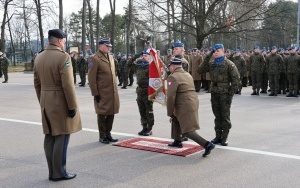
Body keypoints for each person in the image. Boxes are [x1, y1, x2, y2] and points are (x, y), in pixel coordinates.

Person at [33, 29, 82, 181]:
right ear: (60, 40)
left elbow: (37, 83)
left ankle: (52, 171)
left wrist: (42, 100)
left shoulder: (39, 57)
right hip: (60, 100)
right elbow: (67, 84)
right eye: (64, 41)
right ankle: (59, 172)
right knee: (62, 135)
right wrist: (72, 106)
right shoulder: (63, 57)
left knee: (50, 136)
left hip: (46, 100)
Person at [167, 58, 215, 157]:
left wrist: (170, 111)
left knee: (188, 131)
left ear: (173, 66)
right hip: (191, 101)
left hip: (184, 104)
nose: (169, 68)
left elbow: (171, 96)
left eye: (170, 66)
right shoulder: (187, 74)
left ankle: (207, 144)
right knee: (176, 120)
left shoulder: (173, 77)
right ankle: (177, 140)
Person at [197, 44, 240, 146]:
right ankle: (217, 136)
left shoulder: (229, 64)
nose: (215, 52)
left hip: (225, 93)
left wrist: (230, 94)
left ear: (223, 52)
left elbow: (236, 80)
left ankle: (224, 137)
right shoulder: (211, 63)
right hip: (215, 92)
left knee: (225, 116)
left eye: (218, 51)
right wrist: (208, 56)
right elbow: (200, 70)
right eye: (214, 51)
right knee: (217, 116)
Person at [88, 38, 120, 144]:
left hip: (112, 91)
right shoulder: (94, 58)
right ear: (100, 46)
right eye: (107, 46)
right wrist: (95, 93)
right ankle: (102, 136)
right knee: (102, 114)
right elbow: (91, 78)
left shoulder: (110, 57)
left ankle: (108, 134)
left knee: (111, 112)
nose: (109, 48)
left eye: (110, 46)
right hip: (102, 92)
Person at [127, 50, 154, 136]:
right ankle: (144, 127)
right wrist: (136, 56)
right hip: (140, 91)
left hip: (148, 91)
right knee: (142, 110)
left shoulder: (152, 67)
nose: (144, 57)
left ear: (149, 57)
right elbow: (128, 64)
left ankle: (149, 129)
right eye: (143, 55)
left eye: (146, 55)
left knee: (149, 111)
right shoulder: (139, 66)